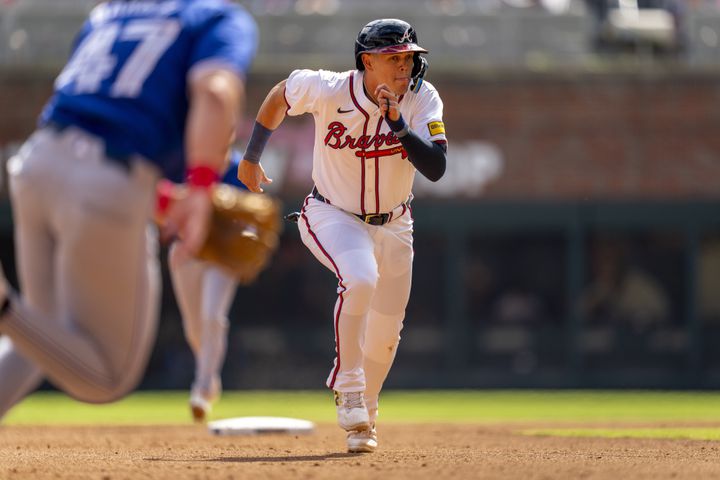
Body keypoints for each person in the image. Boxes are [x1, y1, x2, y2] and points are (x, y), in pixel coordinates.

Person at [0, 0, 257, 420]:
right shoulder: (214, 17)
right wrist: (200, 189)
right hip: (107, 176)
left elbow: (98, 103)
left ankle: (8, 309)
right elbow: (215, 92)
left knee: (37, 337)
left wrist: (155, 199)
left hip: (38, 159)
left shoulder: (111, 12)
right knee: (106, 377)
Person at [238, 18, 447, 453]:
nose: (405, 66)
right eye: (394, 57)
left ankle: (364, 416)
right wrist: (252, 155)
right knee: (360, 278)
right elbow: (280, 95)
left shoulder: (421, 98)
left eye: (409, 57)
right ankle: (347, 383)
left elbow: (437, 167)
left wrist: (399, 126)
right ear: (367, 61)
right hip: (333, 213)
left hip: (396, 223)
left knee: (387, 333)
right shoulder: (329, 88)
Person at [167, 152, 247, 422]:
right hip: (187, 252)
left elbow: (253, 214)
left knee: (213, 316)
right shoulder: (184, 162)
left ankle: (202, 386)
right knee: (194, 326)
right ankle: (208, 376)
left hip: (223, 255)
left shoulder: (239, 167)